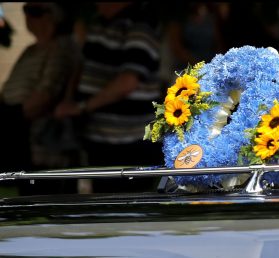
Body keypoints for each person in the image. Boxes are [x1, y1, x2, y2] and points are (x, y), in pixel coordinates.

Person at [55, 2, 163, 192]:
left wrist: (82, 107)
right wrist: (70, 98)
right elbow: (83, 64)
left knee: (128, 207)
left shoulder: (140, 25)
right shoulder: (99, 22)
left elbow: (128, 81)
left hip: (131, 142)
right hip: (100, 139)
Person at [0, 2, 79, 179]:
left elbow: (46, 96)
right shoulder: (31, 50)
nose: (27, 16)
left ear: (53, 17)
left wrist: (10, 117)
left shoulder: (61, 49)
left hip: (42, 145)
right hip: (19, 139)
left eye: (33, 11)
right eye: (25, 10)